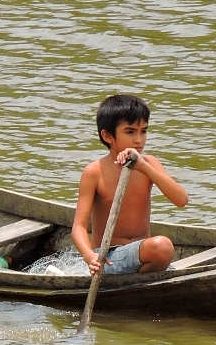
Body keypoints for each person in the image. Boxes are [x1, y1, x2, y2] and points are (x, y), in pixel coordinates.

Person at [71, 94, 189, 275]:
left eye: (143, 131)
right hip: (108, 258)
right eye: (130, 132)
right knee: (162, 247)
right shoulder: (94, 172)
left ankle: (139, 280)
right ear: (108, 136)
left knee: (160, 249)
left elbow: (181, 199)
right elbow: (79, 226)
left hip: (143, 254)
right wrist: (89, 257)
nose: (139, 140)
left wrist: (143, 166)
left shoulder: (148, 163)